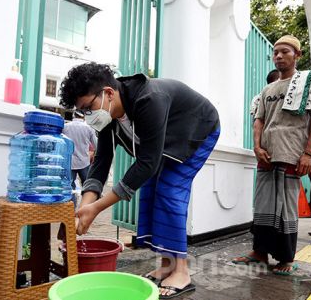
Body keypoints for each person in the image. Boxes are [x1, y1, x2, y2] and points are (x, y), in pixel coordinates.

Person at [59, 62, 220, 299]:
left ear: (108, 93)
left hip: (199, 129)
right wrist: (86, 204)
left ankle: (182, 272)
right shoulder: (107, 115)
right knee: (151, 190)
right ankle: (167, 265)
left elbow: (147, 163)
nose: (88, 116)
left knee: (170, 189)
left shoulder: (149, 99)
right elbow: (101, 161)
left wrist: (97, 208)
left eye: (88, 108)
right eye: (83, 111)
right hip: (168, 141)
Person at [232, 35, 311, 275]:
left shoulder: (309, 81)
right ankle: (260, 252)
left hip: (292, 153)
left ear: (297, 55)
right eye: (276, 52)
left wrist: (308, 153)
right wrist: (257, 146)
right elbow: (259, 120)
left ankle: (286, 258)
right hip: (266, 154)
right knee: (263, 204)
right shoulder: (268, 88)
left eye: (285, 51)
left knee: (285, 207)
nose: (278, 56)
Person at [62, 112, 97, 207]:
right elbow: (96, 145)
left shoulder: (65, 127)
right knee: (88, 186)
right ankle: (86, 207)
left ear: (73, 116)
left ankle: (70, 212)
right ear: (84, 116)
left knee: (70, 188)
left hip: (70, 163)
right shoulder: (88, 128)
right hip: (84, 162)